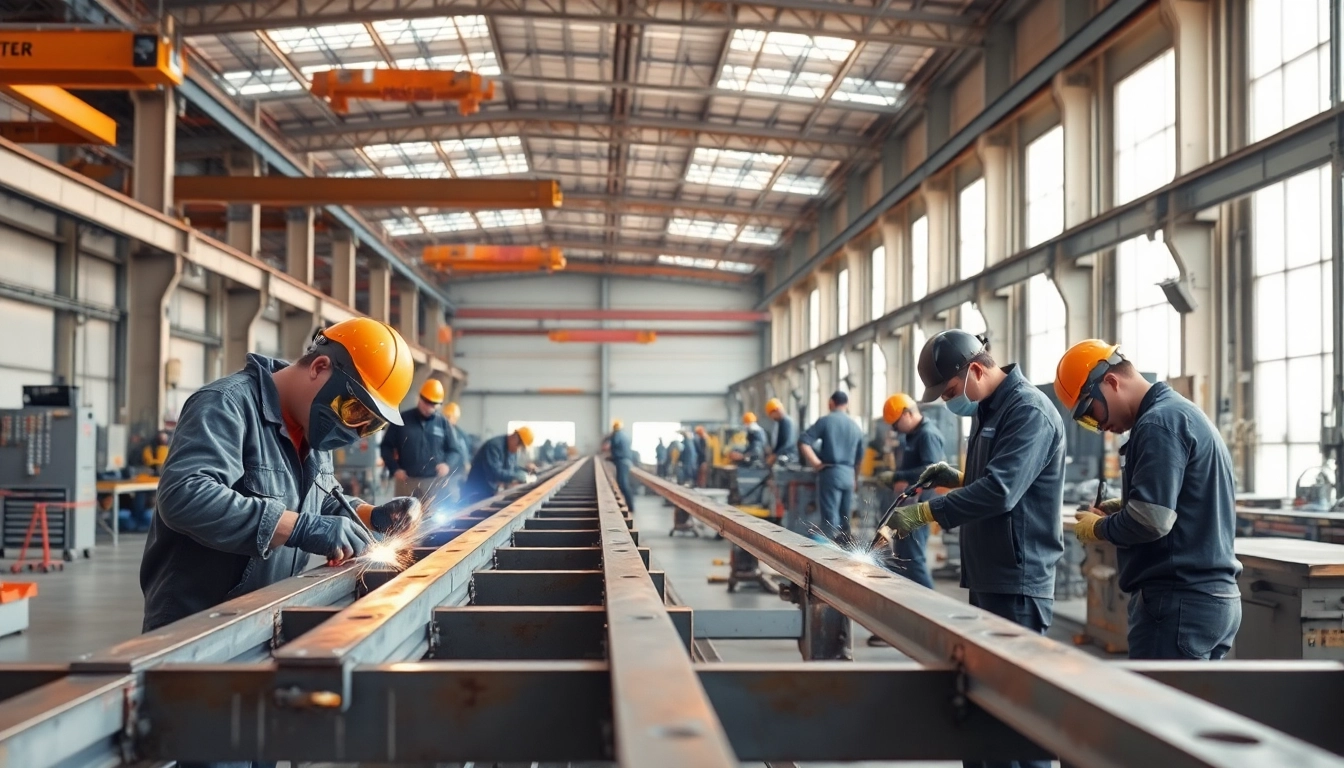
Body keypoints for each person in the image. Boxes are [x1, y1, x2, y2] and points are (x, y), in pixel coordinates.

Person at [142, 318, 422, 634]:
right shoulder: (227, 405)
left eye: (370, 425)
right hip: (194, 628)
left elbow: (318, 502)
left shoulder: (312, 430)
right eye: (354, 411)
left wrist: (373, 516)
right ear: (319, 367)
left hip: (265, 622)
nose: (356, 432)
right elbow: (184, 495)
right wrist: (300, 526)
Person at [882, 330, 1065, 661]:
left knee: (1012, 688)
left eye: (951, 391)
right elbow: (1002, 478)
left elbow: (1001, 491)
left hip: (1016, 580)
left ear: (977, 370)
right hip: (988, 571)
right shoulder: (988, 409)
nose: (951, 401)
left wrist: (924, 513)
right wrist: (958, 479)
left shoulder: (1028, 411)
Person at [1056, 341, 1242, 660]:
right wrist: (1124, 505)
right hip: (1210, 599)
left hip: (1178, 601)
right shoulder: (1180, 413)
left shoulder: (1158, 423)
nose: (1099, 426)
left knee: (1160, 708)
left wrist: (1099, 528)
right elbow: (1180, 503)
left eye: (1091, 412)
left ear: (1111, 382)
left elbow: (1150, 521)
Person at [880, 392, 943, 590]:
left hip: (919, 505)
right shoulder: (913, 435)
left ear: (907, 414)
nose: (895, 429)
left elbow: (933, 469)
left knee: (912, 560)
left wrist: (899, 477)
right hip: (909, 505)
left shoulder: (927, 435)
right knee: (902, 558)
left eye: (896, 423)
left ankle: (933, 609)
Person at [378, 379, 459, 506]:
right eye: (426, 402)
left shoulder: (443, 423)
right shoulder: (402, 420)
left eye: (433, 404)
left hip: (433, 482)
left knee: (433, 520)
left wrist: (447, 465)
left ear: (439, 404)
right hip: (406, 481)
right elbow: (386, 447)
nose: (428, 407)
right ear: (419, 398)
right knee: (403, 519)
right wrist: (395, 469)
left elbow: (454, 450)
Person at [797, 391, 865, 539]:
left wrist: (816, 463)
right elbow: (859, 459)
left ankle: (828, 555)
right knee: (845, 519)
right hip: (848, 475)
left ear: (831, 403)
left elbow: (804, 441)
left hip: (831, 473)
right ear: (846, 404)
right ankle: (846, 552)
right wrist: (854, 479)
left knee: (830, 518)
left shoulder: (826, 421)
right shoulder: (856, 427)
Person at [460, 426, 538, 505]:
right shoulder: (494, 446)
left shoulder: (511, 450)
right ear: (515, 438)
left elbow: (511, 468)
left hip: (489, 492)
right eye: (520, 447)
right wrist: (516, 476)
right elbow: (495, 473)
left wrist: (525, 471)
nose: (519, 450)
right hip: (476, 493)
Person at [607, 419, 635, 508]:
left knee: (623, 484)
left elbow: (614, 446)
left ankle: (630, 506)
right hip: (626, 461)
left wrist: (611, 457)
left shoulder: (617, 435)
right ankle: (630, 505)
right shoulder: (625, 434)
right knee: (623, 483)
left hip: (621, 461)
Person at [764, 397, 797, 467]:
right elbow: (779, 443)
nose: (772, 418)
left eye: (771, 415)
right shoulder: (781, 423)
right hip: (782, 455)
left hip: (790, 456)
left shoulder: (787, 422)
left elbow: (788, 443)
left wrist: (775, 455)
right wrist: (773, 453)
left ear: (776, 410)